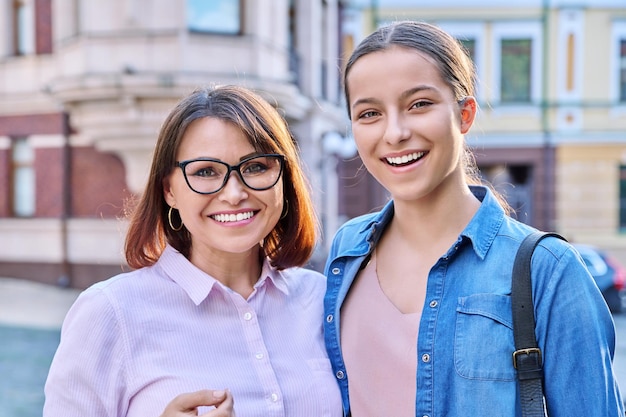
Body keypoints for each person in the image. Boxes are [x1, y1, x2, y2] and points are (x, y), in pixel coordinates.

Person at [322, 20, 625, 417]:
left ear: (465, 114)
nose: (394, 133)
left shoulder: (549, 271)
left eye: (419, 104)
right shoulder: (348, 249)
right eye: (369, 113)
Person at [43, 85, 342, 417]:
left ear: (283, 177)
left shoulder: (322, 300)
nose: (234, 193)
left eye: (256, 166)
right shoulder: (110, 313)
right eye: (205, 172)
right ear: (169, 190)